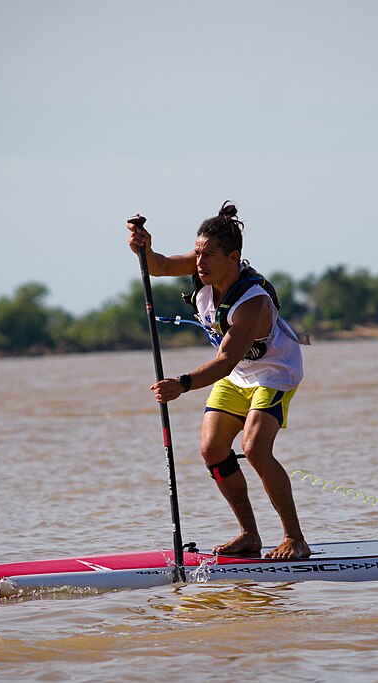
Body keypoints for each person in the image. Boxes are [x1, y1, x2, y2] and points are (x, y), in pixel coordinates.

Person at [127, 201, 311, 559]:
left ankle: (295, 538)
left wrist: (182, 384)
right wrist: (143, 247)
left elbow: (225, 361)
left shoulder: (252, 303)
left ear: (233, 257)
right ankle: (249, 535)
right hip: (239, 375)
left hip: (275, 373)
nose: (199, 262)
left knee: (255, 448)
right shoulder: (205, 269)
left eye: (209, 254)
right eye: (197, 253)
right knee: (212, 449)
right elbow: (159, 266)